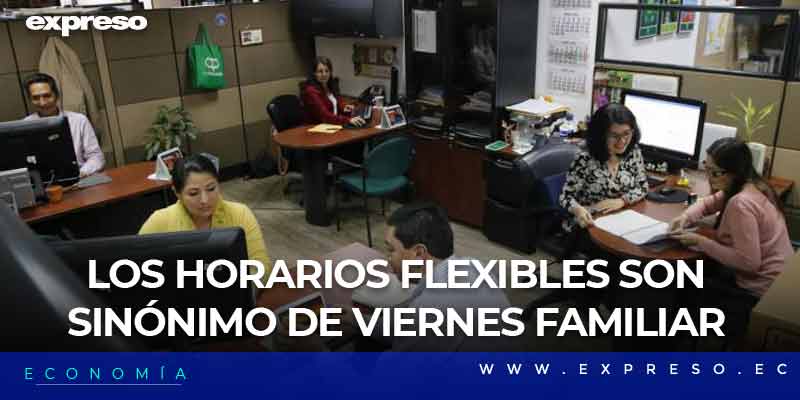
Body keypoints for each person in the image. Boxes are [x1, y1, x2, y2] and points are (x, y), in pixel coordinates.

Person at [669, 138, 792, 310]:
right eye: (707, 168)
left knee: (680, 279)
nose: (709, 177)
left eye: (715, 173)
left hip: (759, 290)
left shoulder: (741, 203)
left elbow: (749, 263)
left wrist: (700, 241)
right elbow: (708, 204)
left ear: (734, 172)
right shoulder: (752, 185)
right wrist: (686, 217)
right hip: (782, 277)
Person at [378, 202, 512, 351]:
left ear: (419, 253)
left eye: (391, 250)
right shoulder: (474, 266)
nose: (388, 259)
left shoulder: (429, 311)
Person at [139, 154, 272, 285]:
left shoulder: (240, 213)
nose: (205, 200)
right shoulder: (159, 221)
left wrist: (239, 290)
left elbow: (261, 266)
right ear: (177, 193)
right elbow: (136, 270)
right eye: (193, 193)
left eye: (211, 189)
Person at [559, 103, 648, 232]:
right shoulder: (585, 158)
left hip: (621, 219)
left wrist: (622, 201)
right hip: (589, 223)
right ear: (601, 135)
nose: (622, 141)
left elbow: (642, 187)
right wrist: (578, 210)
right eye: (614, 136)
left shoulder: (633, 151)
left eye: (626, 134)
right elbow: (565, 198)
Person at [23, 73, 105, 178]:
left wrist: (82, 173)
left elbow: (96, 157)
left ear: (56, 95)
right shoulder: (25, 126)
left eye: (47, 96)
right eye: (35, 98)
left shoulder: (79, 120)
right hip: (43, 182)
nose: (42, 103)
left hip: (79, 177)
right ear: (30, 100)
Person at [300, 56, 366, 127]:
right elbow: (325, 116)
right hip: (316, 128)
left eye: (327, 71)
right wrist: (348, 120)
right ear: (314, 73)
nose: (324, 74)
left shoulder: (329, 86)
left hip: (331, 126)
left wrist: (344, 108)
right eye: (320, 71)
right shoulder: (310, 91)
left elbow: (335, 104)